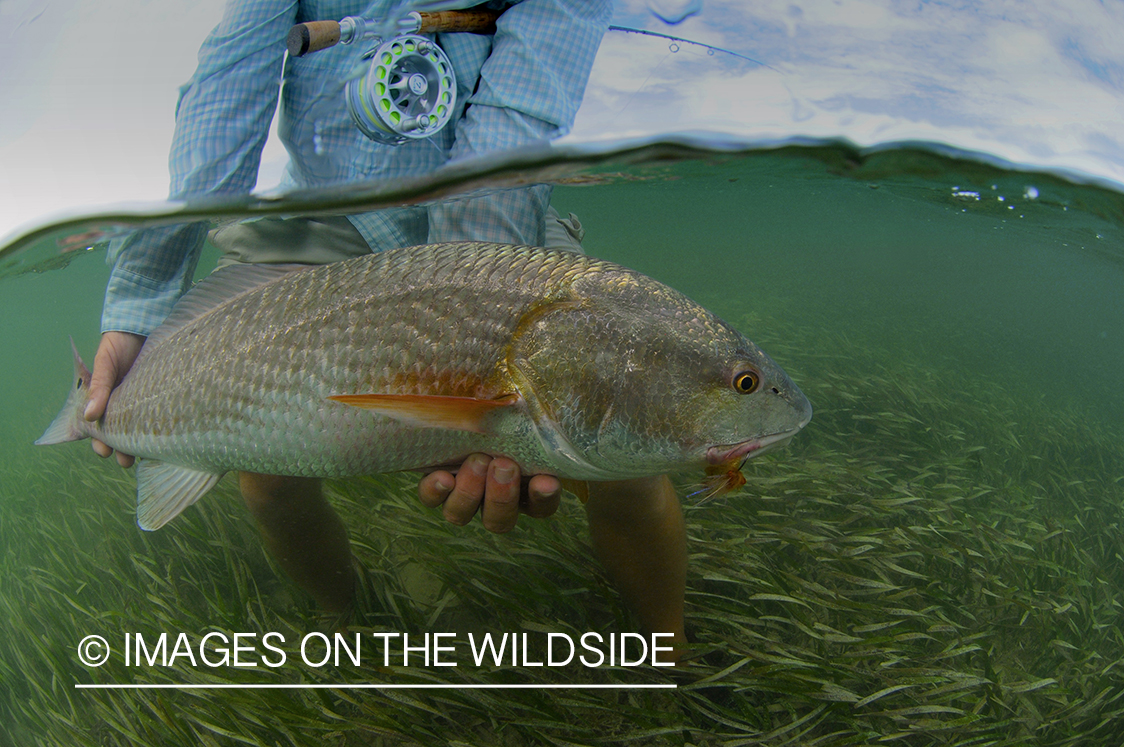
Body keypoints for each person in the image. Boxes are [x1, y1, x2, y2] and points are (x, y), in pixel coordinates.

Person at [85, 0, 688, 658]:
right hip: (326, 200)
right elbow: (228, 86)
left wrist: (474, 350)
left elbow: (520, 106)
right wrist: (139, 305)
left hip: (494, 201)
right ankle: (347, 618)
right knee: (266, 472)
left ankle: (667, 645)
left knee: (624, 454)